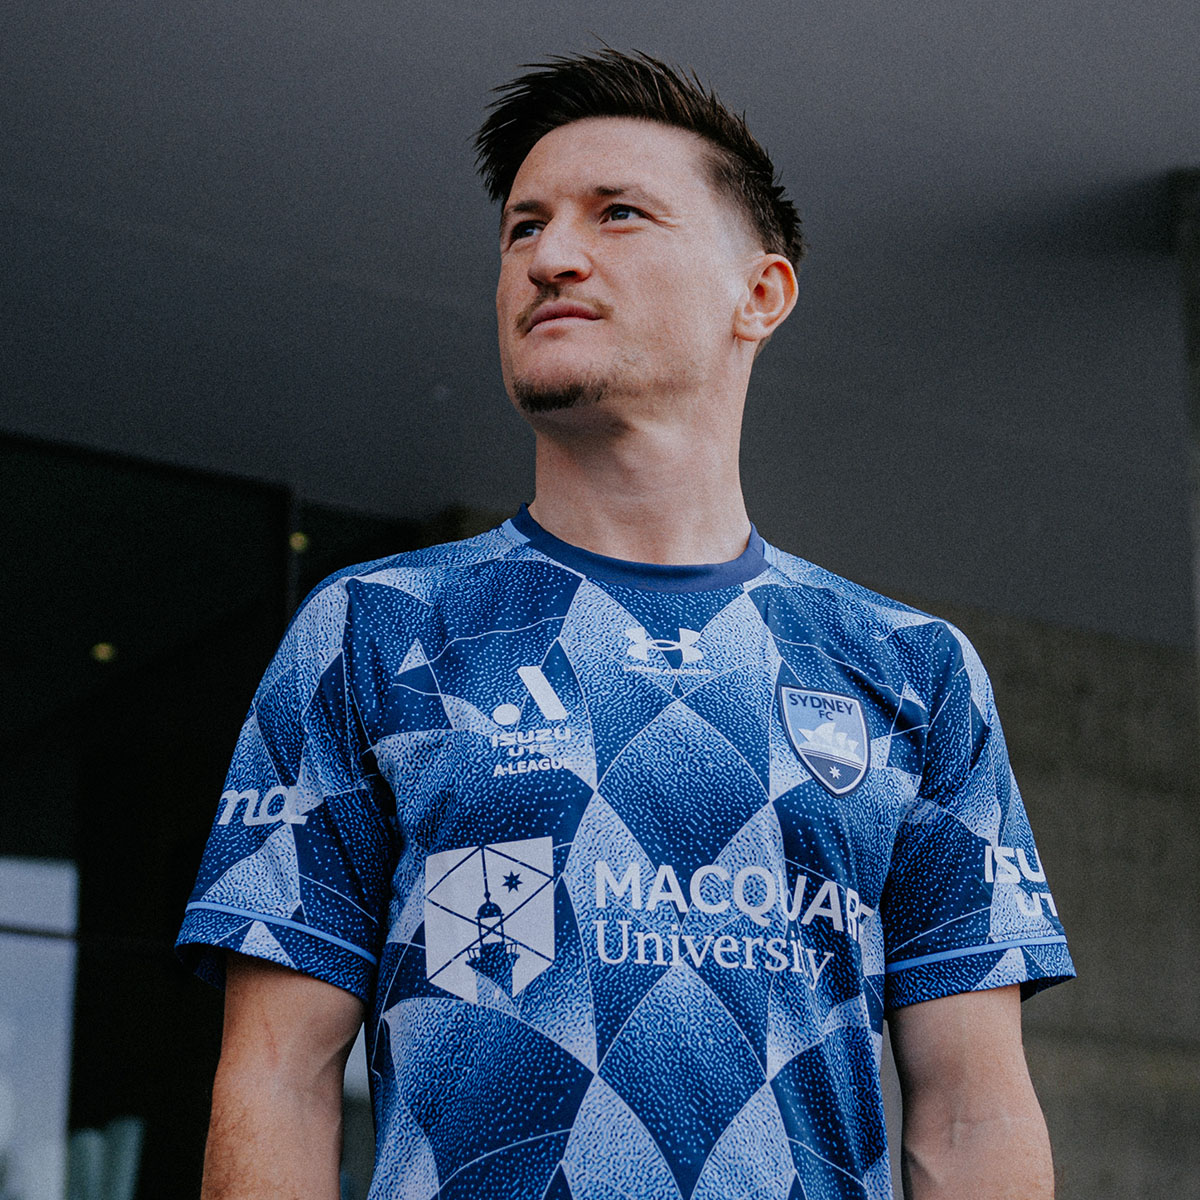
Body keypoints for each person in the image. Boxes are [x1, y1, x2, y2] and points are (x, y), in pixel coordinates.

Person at [179, 49, 1074, 1200]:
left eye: (618, 214)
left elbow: (974, 1111)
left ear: (760, 294)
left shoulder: (913, 668)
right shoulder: (372, 632)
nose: (550, 256)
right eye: (524, 227)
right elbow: (277, 1079)